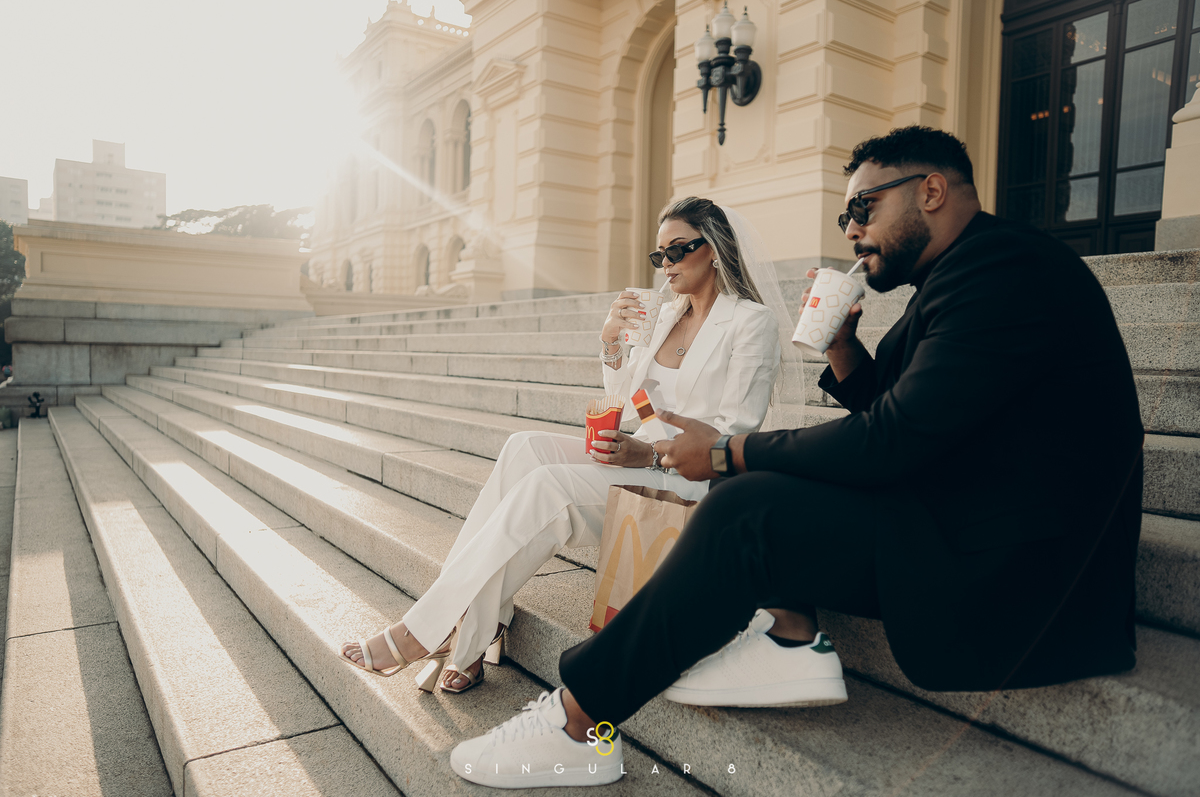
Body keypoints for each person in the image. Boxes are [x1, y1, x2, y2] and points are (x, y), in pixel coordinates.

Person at [449, 126, 1145, 788]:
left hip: (1020, 563)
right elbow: (906, 415)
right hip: (952, 511)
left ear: (931, 190)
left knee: (746, 502)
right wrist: (841, 346)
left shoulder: (1006, 270)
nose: (851, 230)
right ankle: (788, 635)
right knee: (755, 487)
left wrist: (727, 451)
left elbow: (891, 439)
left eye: (863, 208)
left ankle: (577, 724)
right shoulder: (956, 278)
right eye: (846, 216)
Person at [338, 197, 792, 695]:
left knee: (548, 485)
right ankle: (473, 627)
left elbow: (731, 439)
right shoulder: (664, 316)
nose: (667, 263)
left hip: (690, 484)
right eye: (659, 254)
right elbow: (627, 398)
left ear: (715, 249)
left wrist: (649, 455)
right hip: (640, 456)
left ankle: (425, 631)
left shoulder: (750, 322)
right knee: (524, 447)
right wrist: (612, 341)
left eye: (678, 250)